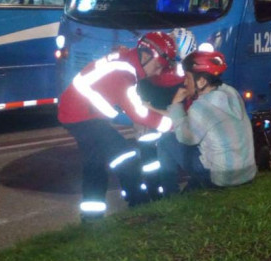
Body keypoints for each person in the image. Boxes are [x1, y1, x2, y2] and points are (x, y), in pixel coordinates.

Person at [58, 32, 180, 222]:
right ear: (147, 55)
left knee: (95, 165)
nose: (158, 72)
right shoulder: (123, 74)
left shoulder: (125, 62)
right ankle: (140, 207)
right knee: (126, 159)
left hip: (78, 113)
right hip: (84, 117)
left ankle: (92, 220)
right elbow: (139, 114)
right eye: (159, 66)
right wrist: (174, 125)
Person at [157, 50, 256, 196]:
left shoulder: (201, 106)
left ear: (201, 81)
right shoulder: (231, 92)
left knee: (166, 140)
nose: (185, 82)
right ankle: (194, 185)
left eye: (188, 78)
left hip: (223, 179)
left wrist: (176, 105)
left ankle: (170, 195)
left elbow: (185, 138)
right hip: (247, 174)